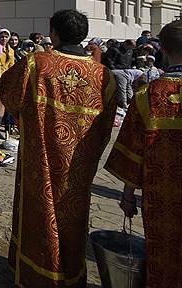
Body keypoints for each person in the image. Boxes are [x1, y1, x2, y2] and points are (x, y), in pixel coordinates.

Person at [0, 9, 117, 287]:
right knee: (73, 218)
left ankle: (37, 276)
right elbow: (107, 127)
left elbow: (9, 95)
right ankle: (69, 275)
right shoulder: (104, 76)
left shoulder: (36, 64)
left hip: (40, 159)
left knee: (38, 214)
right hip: (79, 165)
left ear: (54, 32)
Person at [105, 20, 182, 288]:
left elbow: (132, 151)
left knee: (164, 256)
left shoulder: (148, 95)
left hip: (163, 197)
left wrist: (127, 196)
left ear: (164, 49)